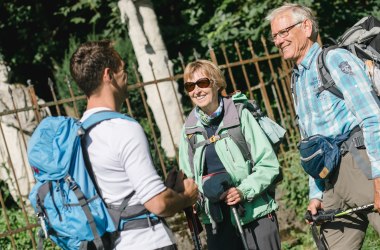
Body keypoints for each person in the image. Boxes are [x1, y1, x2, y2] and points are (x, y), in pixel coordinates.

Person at [266, 3, 380, 249]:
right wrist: (316, 195)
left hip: (361, 166)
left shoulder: (334, 59)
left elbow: (372, 117)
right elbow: (312, 146)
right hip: (330, 180)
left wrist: (379, 176)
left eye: (283, 32)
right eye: (274, 36)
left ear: (306, 27)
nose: (278, 41)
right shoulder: (297, 80)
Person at [69, 40, 199, 250]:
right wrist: (186, 197)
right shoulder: (122, 128)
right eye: (123, 69)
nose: (126, 76)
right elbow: (158, 203)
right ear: (108, 75)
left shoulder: (78, 133)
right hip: (148, 242)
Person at [178, 59, 281, 250]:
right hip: (217, 224)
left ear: (216, 83)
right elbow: (188, 181)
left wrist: (242, 191)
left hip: (255, 215)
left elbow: (269, 164)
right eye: (190, 86)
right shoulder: (189, 130)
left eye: (202, 83)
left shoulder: (240, 114)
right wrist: (190, 199)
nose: (196, 90)